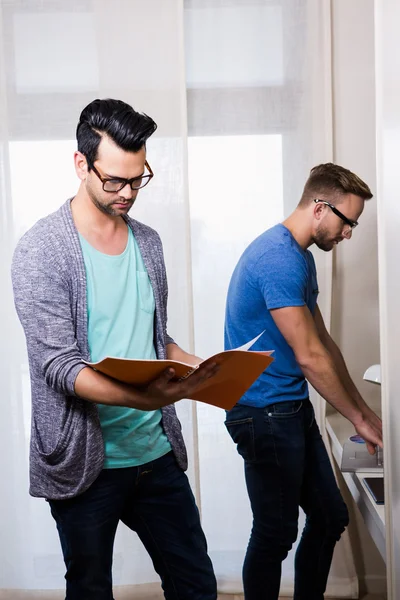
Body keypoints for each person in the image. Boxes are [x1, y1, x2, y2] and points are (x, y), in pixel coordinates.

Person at [12, 98, 218, 600]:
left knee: (196, 585)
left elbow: (154, 338)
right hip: (86, 465)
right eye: (114, 181)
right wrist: (142, 399)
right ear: (81, 164)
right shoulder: (41, 250)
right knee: (89, 590)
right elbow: (58, 365)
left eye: (137, 179)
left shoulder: (147, 243)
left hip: (155, 451)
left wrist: (205, 367)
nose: (128, 193)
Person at [224, 163, 383, 600]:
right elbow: (309, 358)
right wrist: (358, 418)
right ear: (319, 207)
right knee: (275, 534)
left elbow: (323, 344)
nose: (349, 233)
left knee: (330, 517)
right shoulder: (277, 259)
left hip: (288, 408)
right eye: (347, 221)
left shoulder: (300, 257)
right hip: (263, 414)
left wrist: (364, 414)